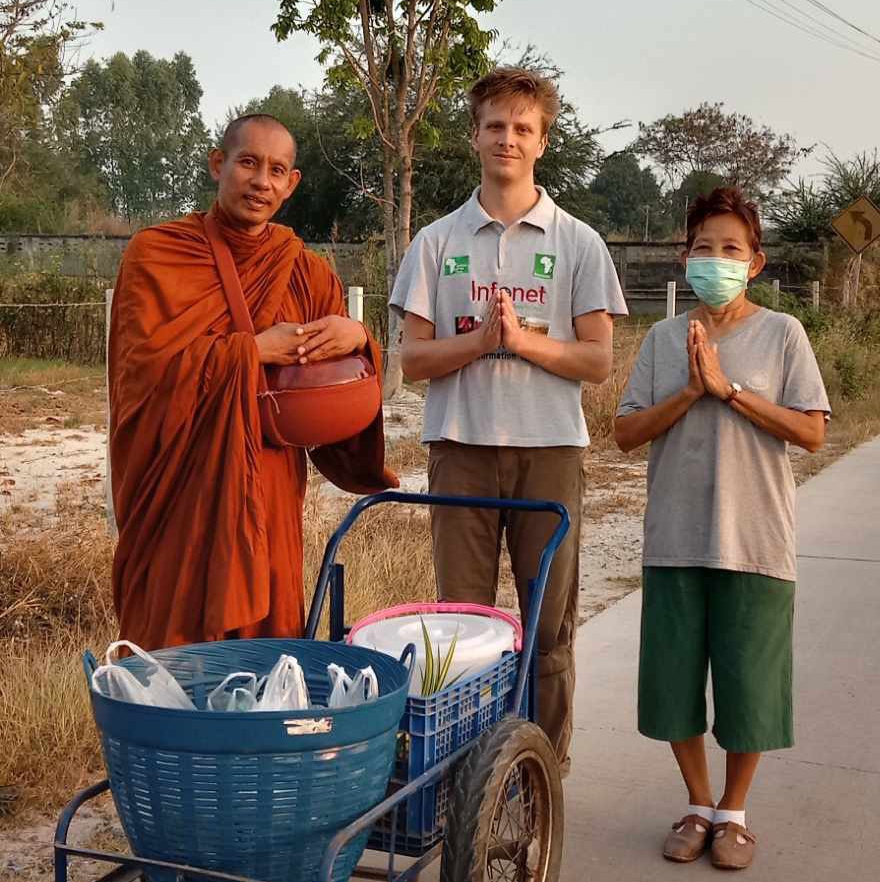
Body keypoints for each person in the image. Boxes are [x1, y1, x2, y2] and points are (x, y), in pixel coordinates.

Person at [390, 66, 628, 768]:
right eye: (495, 126)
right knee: (462, 626)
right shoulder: (436, 241)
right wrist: (481, 343)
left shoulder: (577, 242)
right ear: (474, 137)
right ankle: (466, 777)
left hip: (549, 452)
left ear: (542, 142)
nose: (507, 139)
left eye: (522, 128)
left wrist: (523, 343)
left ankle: (539, 774)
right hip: (459, 448)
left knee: (546, 627)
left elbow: (596, 362)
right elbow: (412, 361)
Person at [108, 113, 394, 649]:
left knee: (265, 651)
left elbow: (346, 379)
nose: (261, 181)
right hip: (180, 489)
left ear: (292, 184)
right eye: (248, 162)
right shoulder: (158, 255)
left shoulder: (305, 270)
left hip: (268, 490)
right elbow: (141, 377)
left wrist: (356, 334)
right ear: (219, 164)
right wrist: (253, 351)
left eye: (276, 169)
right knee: (172, 647)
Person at [615, 185, 830, 870]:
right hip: (675, 535)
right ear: (684, 259)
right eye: (702, 248)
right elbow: (623, 433)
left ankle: (734, 814)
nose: (715, 260)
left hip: (756, 536)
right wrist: (689, 387)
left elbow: (811, 432)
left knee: (749, 684)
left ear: (755, 262)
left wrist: (731, 391)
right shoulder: (658, 339)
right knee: (674, 682)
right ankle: (697, 804)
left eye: (729, 250)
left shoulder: (782, 334)